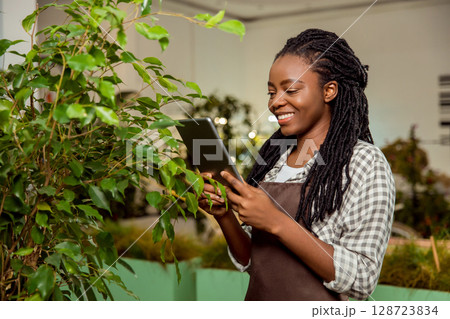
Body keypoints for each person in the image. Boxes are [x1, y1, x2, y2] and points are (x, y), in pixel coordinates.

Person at [198, 28, 395, 301]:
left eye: (290, 89)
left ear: (329, 91)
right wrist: (224, 216)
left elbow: (362, 278)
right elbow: (253, 262)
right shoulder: (274, 160)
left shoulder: (364, 162)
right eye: (271, 92)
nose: (276, 102)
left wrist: (276, 221)